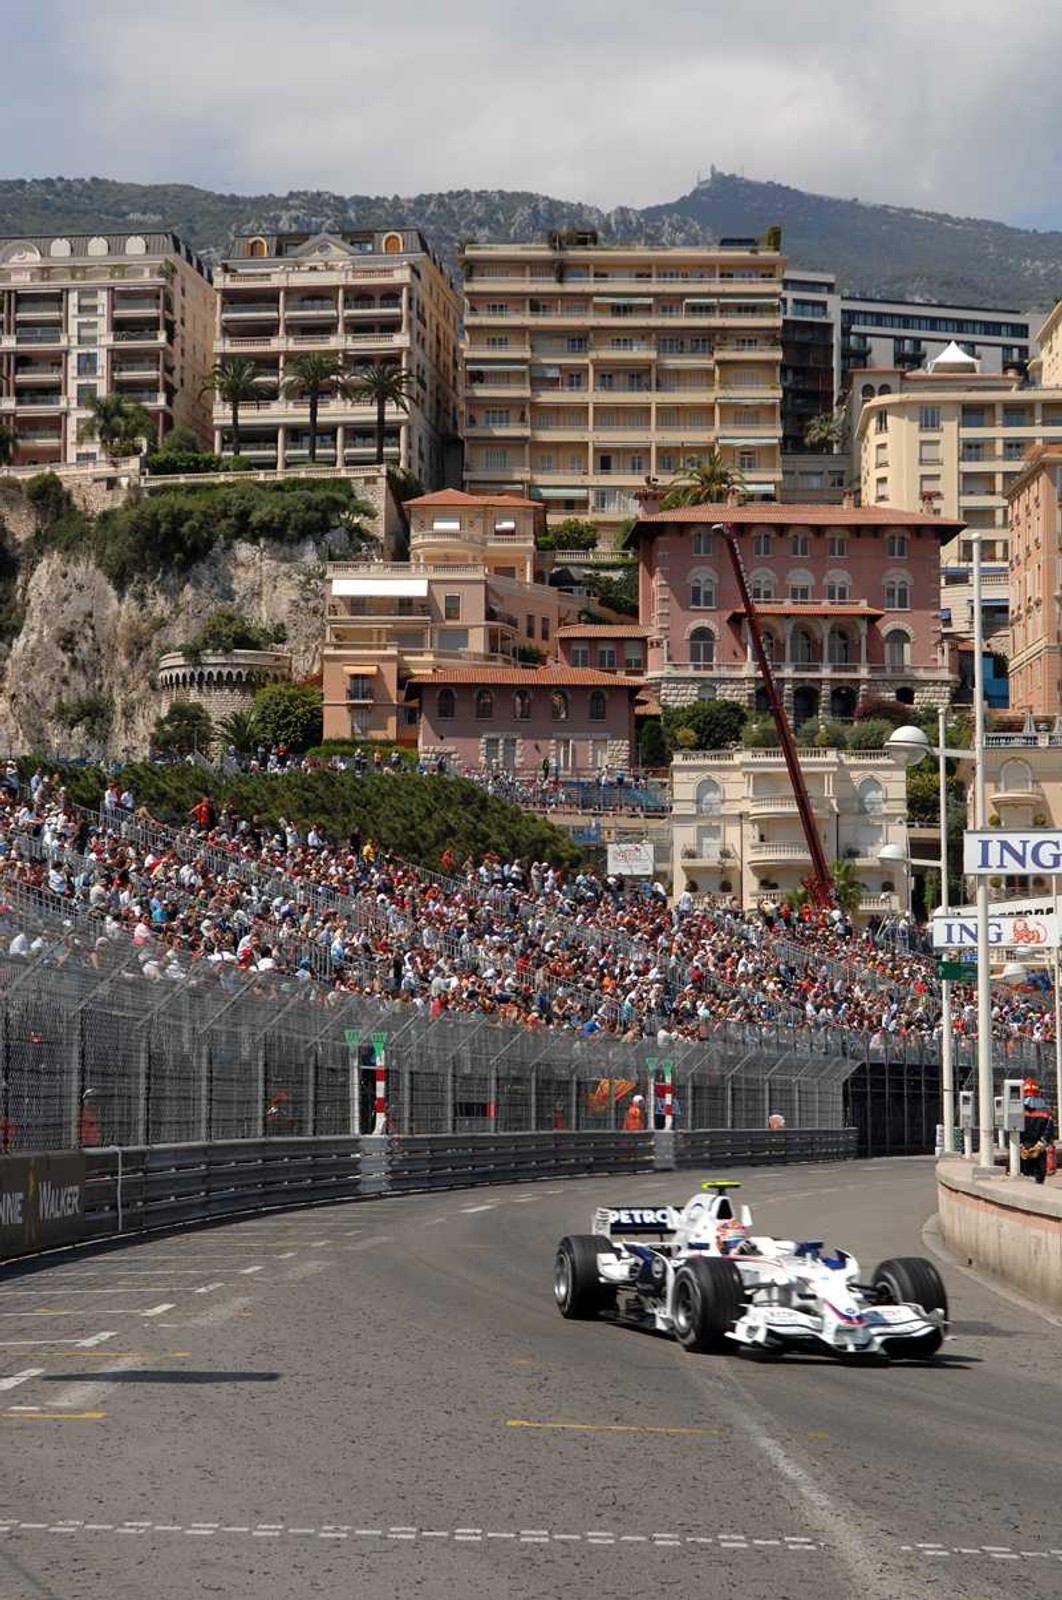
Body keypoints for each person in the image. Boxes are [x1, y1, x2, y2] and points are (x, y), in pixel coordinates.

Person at [1019, 1079, 1056, 1185]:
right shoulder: (1046, 1112)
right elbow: (1049, 1131)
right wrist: (1039, 1146)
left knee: (1024, 1177)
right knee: (1039, 1178)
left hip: (1023, 1149)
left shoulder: (1018, 1112)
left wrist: (1020, 1146)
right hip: (1039, 1150)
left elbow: (1013, 1130)